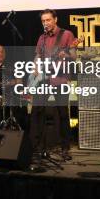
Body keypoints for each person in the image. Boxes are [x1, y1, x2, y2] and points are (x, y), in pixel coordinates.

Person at [29, 9, 76, 159]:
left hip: (60, 79)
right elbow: (38, 55)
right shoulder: (42, 38)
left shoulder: (67, 35)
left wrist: (66, 55)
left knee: (62, 114)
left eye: (48, 20)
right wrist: (35, 68)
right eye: (43, 21)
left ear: (55, 19)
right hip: (43, 80)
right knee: (37, 112)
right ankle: (37, 147)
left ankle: (65, 148)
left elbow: (74, 56)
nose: (45, 23)